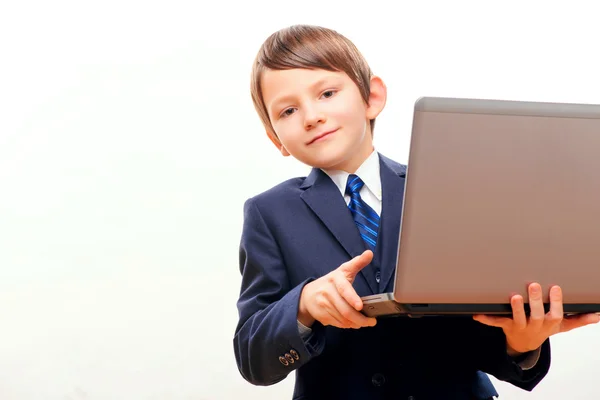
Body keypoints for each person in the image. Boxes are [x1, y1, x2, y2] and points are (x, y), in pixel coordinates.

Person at [232, 24, 599, 400]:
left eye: (327, 93)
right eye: (289, 110)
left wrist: (522, 341)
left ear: (372, 97)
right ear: (275, 137)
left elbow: (480, 328)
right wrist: (304, 304)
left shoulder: (449, 191)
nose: (311, 116)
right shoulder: (269, 213)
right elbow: (252, 355)